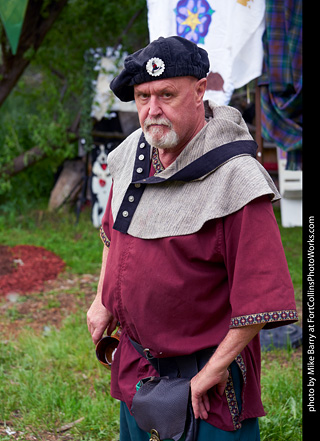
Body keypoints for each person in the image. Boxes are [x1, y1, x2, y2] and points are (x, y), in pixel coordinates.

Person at [87, 36, 298, 441]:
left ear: (200, 90)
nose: (152, 111)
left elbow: (261, 295)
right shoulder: (133, 151)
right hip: (136, 369)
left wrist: (214, 370)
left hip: (206, 383)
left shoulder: (237, 177)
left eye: (167, 94)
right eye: (142, 96)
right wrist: (102, 297)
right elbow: (116, 230)